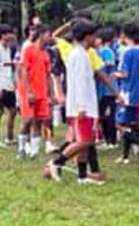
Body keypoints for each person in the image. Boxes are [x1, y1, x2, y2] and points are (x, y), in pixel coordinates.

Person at [45, 21, 108, 184]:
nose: (96, 39)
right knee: (84, 141)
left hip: (85, 104)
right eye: (94, 36)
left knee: (87, 142)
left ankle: (82, 175)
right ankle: (56, 163)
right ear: (87, 37)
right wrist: (81, 107)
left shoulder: (80, 54)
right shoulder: (79, 56)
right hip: (82, 105)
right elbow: (80, 83)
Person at [114, 24, 139, 165]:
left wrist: (114, 74)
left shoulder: (127, 52)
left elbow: (125, 74)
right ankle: (125, 156)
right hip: (138, 91)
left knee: (119, 123)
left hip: (127, 91)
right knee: (130, 124)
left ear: (124, 36)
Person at [16, 25, 54, 159]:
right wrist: (29, 91)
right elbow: (23, 71)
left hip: (42, 92)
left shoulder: (46, 54)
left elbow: (48, 75)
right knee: (27, 119)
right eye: (49, 34)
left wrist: (51, 94)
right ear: (41, 34)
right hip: (29, 91)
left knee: (39, 120)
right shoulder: (28, 50)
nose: (50, 37)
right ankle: (21, 148)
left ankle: (34, 151)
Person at [0, 25, 18, 145]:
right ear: (2, 35)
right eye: (9, 33)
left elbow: (7, 67)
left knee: (13, 110)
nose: (11, 36)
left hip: (8, 84)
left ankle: (9, 137)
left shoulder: (8, 49)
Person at [95, 28, 118, 148]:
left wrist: (99, 65)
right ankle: (106, 139)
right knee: (103, 115)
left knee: (109, 116)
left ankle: (112, 140)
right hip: (102, 89)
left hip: (109, 90)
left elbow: (110, 63)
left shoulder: (106, 50)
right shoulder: (98, 51)